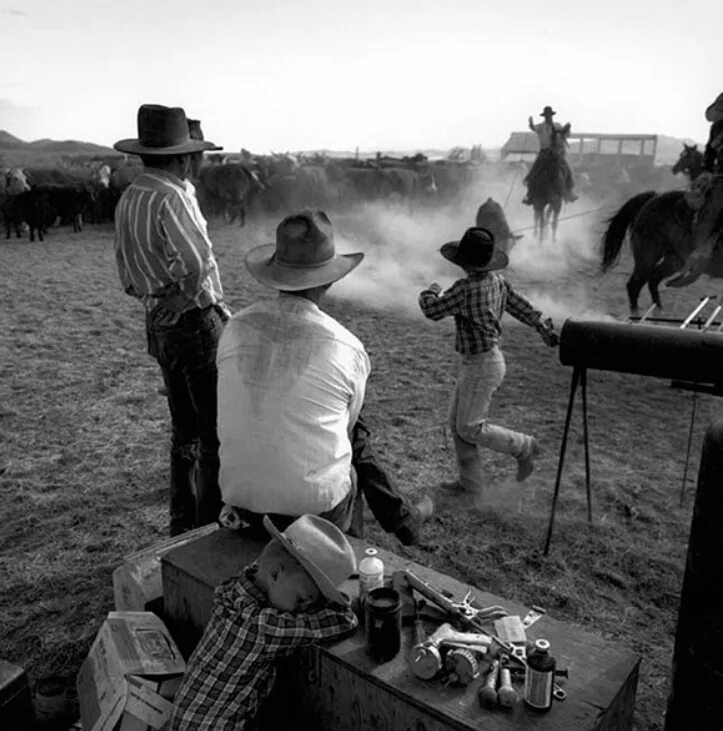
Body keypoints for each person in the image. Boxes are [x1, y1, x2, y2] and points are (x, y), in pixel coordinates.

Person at [216, 209, 433, 544]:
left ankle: (397, 522)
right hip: (313, 510)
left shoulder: (234, 327)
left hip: (240, 499)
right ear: (330, 279)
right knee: (348, 461)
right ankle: (351, 552)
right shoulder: (345, 345)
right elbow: (346, 429)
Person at [113, 104, 230, 536]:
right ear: (182, 157)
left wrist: (156, 299)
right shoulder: (172, 196)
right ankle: (209, 528)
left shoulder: (130, 196)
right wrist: (182, 298)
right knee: (214, 435)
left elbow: (126, 272)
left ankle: (181, 522)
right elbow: (198, 264)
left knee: (183, 430)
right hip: (194, 324)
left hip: (157, 323)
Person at [169, 513, 358, 730]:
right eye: (303, 599)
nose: (305, 609)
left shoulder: (233, 590)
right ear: (276, 574)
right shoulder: (264, 628)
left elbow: (258, 566)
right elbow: (344, 620)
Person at [418, 227, 559, 493]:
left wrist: (430, 290)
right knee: (458, 424)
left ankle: (524, 447)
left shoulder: (464, 288)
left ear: (463, 261)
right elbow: (522, 307)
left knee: (469, 427)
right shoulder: (497, 281)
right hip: (486, 361)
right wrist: (543, 327)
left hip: (480, 364)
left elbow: (431, 310)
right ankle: (471, 485)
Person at [667, 92, 723, 288]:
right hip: (718, 178)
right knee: (699, 202)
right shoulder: (717, 128)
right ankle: (698, 253)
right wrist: (707, 171)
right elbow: (709, 152)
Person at [523, 105, 577, 205]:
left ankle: (569, 192)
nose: (548, 117)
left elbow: (567, 135)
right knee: (534, 171)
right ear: (544, 116)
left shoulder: (558, 125)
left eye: (549, 115)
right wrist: (530, 123)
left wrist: (568, 129)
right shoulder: (541, 126)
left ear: (552, 115)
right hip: (545, 153)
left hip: (558, 153)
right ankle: (530, 194)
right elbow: (533, 128)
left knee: (568, 170)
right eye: (547, 115)